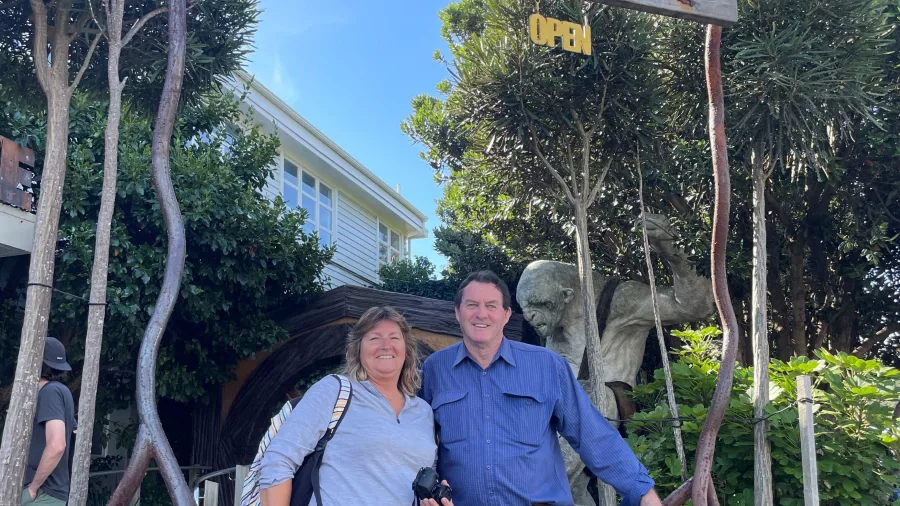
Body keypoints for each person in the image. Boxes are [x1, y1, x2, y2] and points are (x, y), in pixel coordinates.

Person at [420, 271, 663, 506]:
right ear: (457, 313)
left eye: (491, 306)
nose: (481, 314)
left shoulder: (547, 366)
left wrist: (643, 492)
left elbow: (592, 434)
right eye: (472, 305)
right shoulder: (435, 370)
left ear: (506, 315)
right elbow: (417, 441)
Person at [260, 306, 452, 506]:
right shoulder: (334, 391)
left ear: (406, 349)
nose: (386, 345)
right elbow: (278, 460)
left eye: (394, 338)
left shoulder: (423, 412)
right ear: (357, 348)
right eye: (374, 338)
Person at [22, 337, 76, 506]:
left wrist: (33, 488)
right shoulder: (60, 391)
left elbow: (57, 445)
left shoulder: (50, 392)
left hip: (43, 494)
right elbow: (75, 430)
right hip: (49, 493)